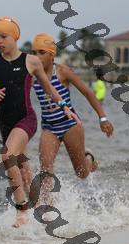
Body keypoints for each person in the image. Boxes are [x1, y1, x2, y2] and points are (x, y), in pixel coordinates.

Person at [0, 17, 79, 228]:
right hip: (5, 123)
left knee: (8, 157)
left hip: (26, 119)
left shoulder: (31, 61)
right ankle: (40, 210)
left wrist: (65, 107)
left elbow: (50, 88)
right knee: (23, 170)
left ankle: (21, 210)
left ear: (15, 37)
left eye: (3, 36)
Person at [30, 34, 114, 203]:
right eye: (34, 53)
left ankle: (88, 157)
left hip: (70, 125)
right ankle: (46, 209)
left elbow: (88, 93)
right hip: (49, 127)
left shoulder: (63, 71)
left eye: (41, 52)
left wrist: (103, 118)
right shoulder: (32, 75)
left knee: (81, 173)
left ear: (51, 54)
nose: (36, 57)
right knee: (45, 169)